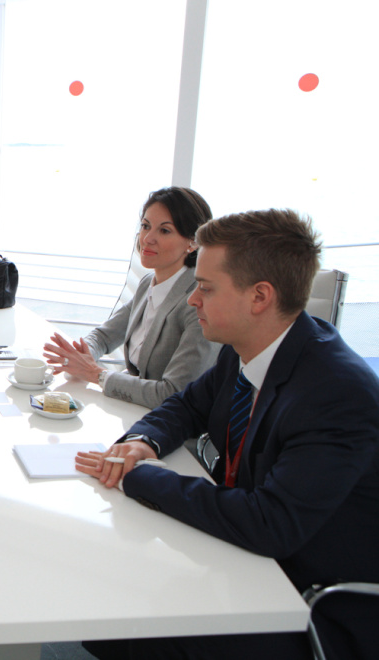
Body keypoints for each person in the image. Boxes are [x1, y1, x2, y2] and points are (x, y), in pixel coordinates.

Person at [76, 209, 379, 659]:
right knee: (109, 595)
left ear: (259, 296)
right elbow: (186, 406)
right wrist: (143, 443)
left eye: (206, 286)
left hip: (309, 599)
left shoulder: (337, 393)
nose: (192, 299)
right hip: (249, 562)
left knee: (119, 621)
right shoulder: (247, 348)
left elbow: (270, 523)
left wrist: (140, 476)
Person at [43, 187, 219, 409]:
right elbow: (104, 336)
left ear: (193, 242)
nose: (148, 238)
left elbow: (173, 393)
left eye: (164, 231)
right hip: (132, 408)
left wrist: (95, 374)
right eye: (145, 226)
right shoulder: (148, 283)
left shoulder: (198, 304)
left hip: (170, 420)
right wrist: (81, 353)